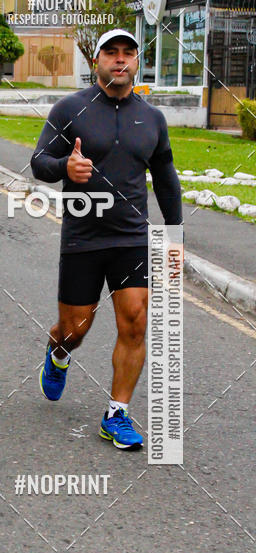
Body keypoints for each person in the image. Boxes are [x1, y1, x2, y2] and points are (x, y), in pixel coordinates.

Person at [30, 29, 183, 450]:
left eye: (127, 54)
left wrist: (174, 235)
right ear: (96, 60)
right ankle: (59, 353)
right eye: (111, 53)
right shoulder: (70, 108)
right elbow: (39, 162)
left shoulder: (152, 118)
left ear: (137, 61)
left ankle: (116, 414)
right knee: (76, 326)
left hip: (132, 237)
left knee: (135, 322)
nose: (120, 60)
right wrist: (66, 167)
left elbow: (166, 179)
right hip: (83, 235)